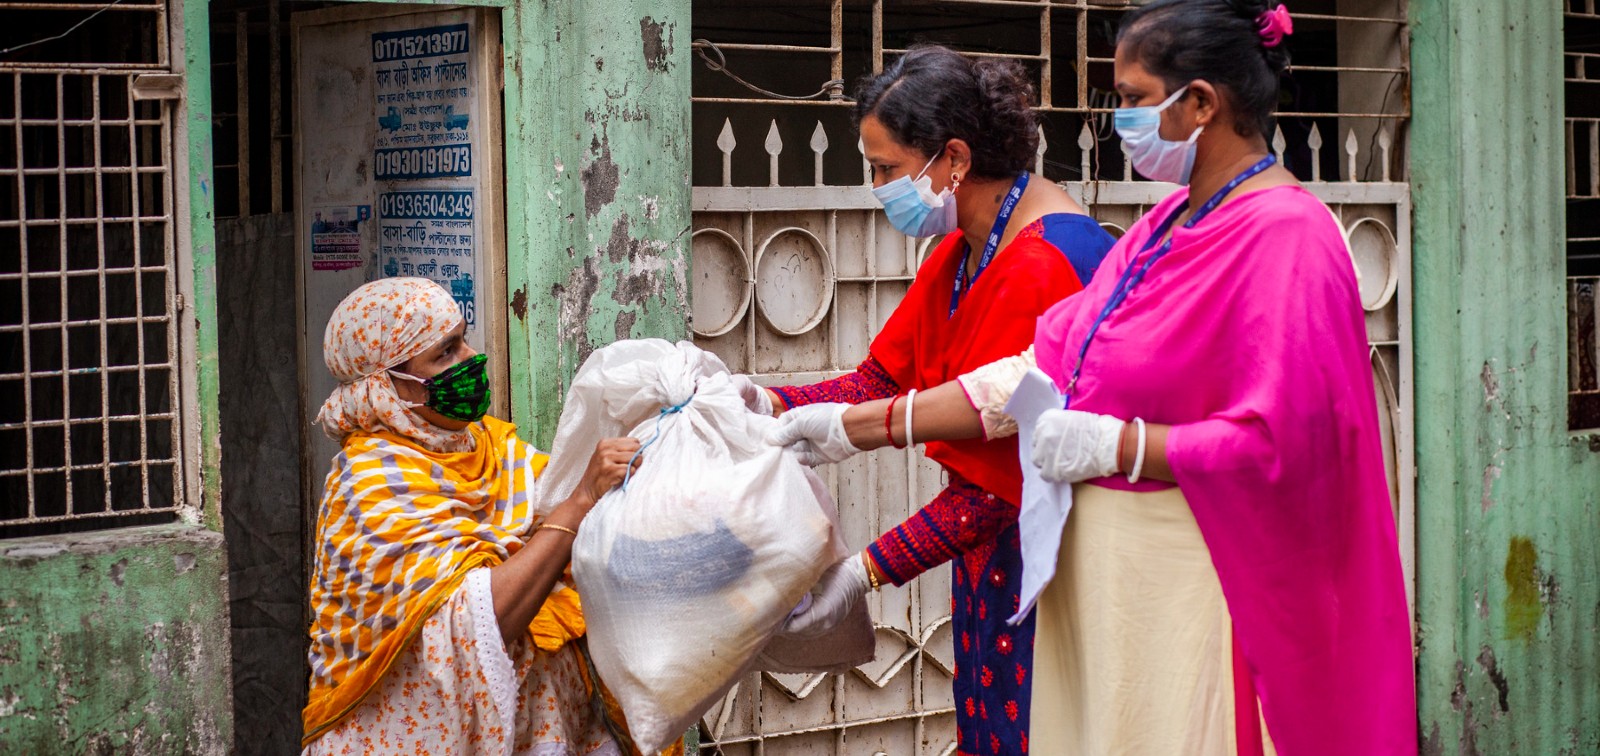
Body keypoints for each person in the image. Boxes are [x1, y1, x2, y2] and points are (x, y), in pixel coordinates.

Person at [766, 2, 1416, 753]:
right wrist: (836, 422)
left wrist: (1123, 448)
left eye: (1135, 100)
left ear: (1201, 103)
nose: (1119, 122)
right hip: (1117, 589)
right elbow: (1044, 370)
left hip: (1211, 588)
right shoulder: (1160, 228)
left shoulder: (1289, 236)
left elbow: (1282, 444)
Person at [738, 44, 1116, 755]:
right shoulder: (963, 247)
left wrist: (865, 571)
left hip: (1050, 562)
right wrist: (759, 401)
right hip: (992, 567)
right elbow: (876, 384)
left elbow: (993, 495)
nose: (877, 187)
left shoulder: (1046, 263)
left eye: (885, 169)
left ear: (953, 159)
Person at [300, 277, 667, 755]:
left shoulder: (492, 447)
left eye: (463, 339)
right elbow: (480, 621)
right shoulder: (370, 482)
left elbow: (588, 519)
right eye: (446, 353)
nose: (471, 358)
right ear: (389, 387)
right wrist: (580, 502)